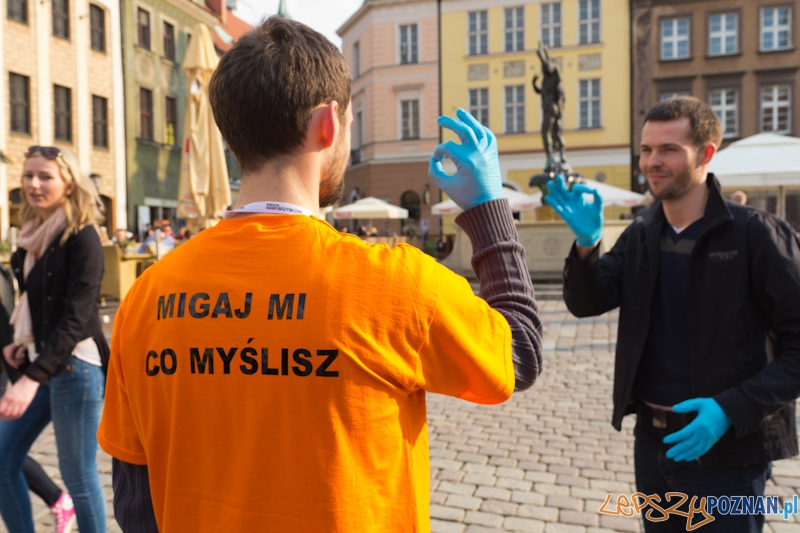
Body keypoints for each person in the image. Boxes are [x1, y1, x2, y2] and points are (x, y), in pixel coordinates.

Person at [98, 16, 543, 533]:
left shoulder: (146, 296)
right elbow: (519, 354)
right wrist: (488, 206)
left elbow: (135, 500)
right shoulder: (397, 285)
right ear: (328, 124)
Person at [546, 97, 800, 532]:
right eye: (646, 150)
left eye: (669, 150)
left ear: (706, 154)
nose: (652, 162)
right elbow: (587, 302)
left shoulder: (757, 234)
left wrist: (730, 408)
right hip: (653, 444)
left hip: (728, 453)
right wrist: (588, 243)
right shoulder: (640, 235)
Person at [0, 146, 108, 533]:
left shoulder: (82, 237)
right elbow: (40, 305)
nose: (34, 184)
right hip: (45, 361)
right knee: (2, 459)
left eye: (45, 176)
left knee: (78, 475)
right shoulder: (32, 237)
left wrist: (29, 379)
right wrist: (22, 343)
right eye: (28, 175)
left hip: (76, 367)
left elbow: (77, 315)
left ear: (69, 184)